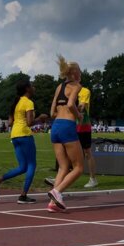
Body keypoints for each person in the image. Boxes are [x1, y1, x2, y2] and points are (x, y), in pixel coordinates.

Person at [0, 79, 48, 204]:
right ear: (27, 89)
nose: (34, 87)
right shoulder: (28, 102)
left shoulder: (16, 102)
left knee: (22, 167)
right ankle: (23, 196)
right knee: (31, 165)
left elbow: (10, 122)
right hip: (25, 135)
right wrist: (40, 119)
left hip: (14, 135)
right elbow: (30, 122)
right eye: (31, 85)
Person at [46, 55, 84, 212]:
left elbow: (52, 112)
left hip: (55, 127)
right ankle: (57, 192)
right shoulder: (77, 86)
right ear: (75, 73)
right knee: (79, 167)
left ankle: (52, 203)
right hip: (67, 126)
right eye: (80, 71)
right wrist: (79, 115)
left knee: (63, 167)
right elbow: (70, 105)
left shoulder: (58, 87)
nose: (81, 74)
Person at [77, 84, 98, 188]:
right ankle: (60, 177)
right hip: (72, 125)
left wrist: (68, 109)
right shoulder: (67, 90)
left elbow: (81, 107)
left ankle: (93, 179)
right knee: (67, 150)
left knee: (87, 152)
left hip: (83, 125)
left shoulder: (84, 91)